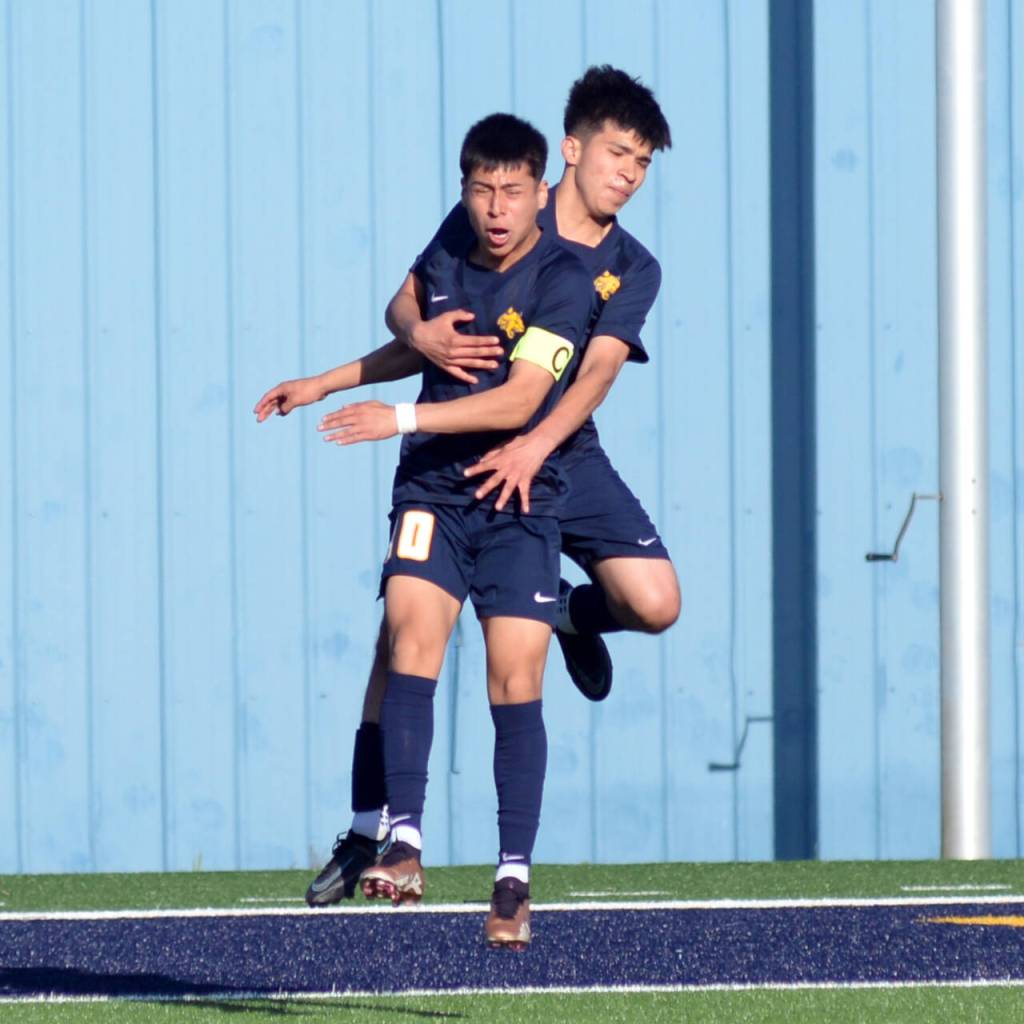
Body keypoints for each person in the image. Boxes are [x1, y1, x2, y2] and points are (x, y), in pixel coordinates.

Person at [256, 66, 678, 912]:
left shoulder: (625, 266)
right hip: (454, 462)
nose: (628, 174)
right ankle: (372, 831)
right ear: (570, 152)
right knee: (404, 632)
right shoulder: (498, 205)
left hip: (557, 449)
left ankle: (563, 612)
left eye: (642, 163)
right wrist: (396, 351)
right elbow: (411, 315)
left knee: (655, 602)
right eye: (617, 155)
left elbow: (586, 378)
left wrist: (527, 445)